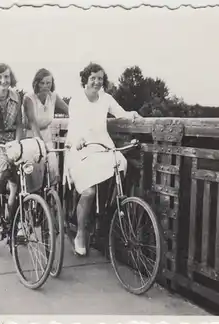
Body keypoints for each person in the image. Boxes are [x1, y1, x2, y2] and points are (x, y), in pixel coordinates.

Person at [64, 63, 142, 255]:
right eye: (93, 78)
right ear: (86, 79)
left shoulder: (106, 98)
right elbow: (73, 127)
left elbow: (121, 113)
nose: (97, 82)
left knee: (120, 163)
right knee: (89, 192)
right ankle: (81, 232)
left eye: (100, 78)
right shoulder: (76, 101)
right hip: (80, 149)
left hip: (102, 147)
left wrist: (132, 115)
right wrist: (78, 139)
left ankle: (104, 215)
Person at [0, 63, 40, 217]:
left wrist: (18, 143)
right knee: (3, 165)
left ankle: (12, 222)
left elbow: (19, 124)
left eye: (6, 76)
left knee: (20, 178)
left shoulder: (15, 97)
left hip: (11, 142)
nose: (3, 80)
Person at [23, 68, 70, 191]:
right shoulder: (29, 98)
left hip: (47, 136)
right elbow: (33, 123)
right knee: (35, 174)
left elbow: (69, 110)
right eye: (42, 83)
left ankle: (51, 202)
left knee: (53, 170)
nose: (45, 86)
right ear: (36, 83)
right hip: (31, 137)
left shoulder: (53, 97)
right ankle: (32, 202)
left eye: (48, 83)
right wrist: (40, 143)